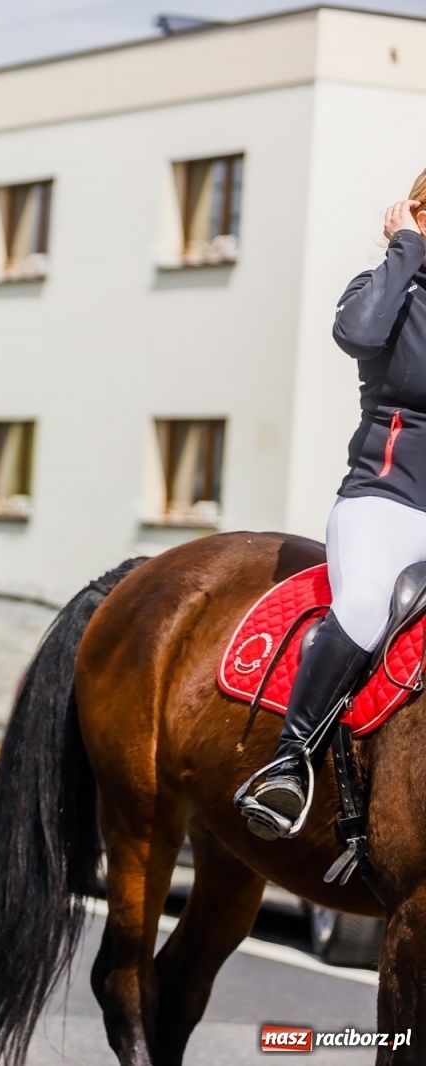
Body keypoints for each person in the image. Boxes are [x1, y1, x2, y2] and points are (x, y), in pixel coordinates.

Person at [238, 176, 426, 840]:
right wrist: (404, 248)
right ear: (414, 214)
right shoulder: (380, 294)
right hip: (387, 502)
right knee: (368, 601)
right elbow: (359, 334)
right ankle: (288, 763)